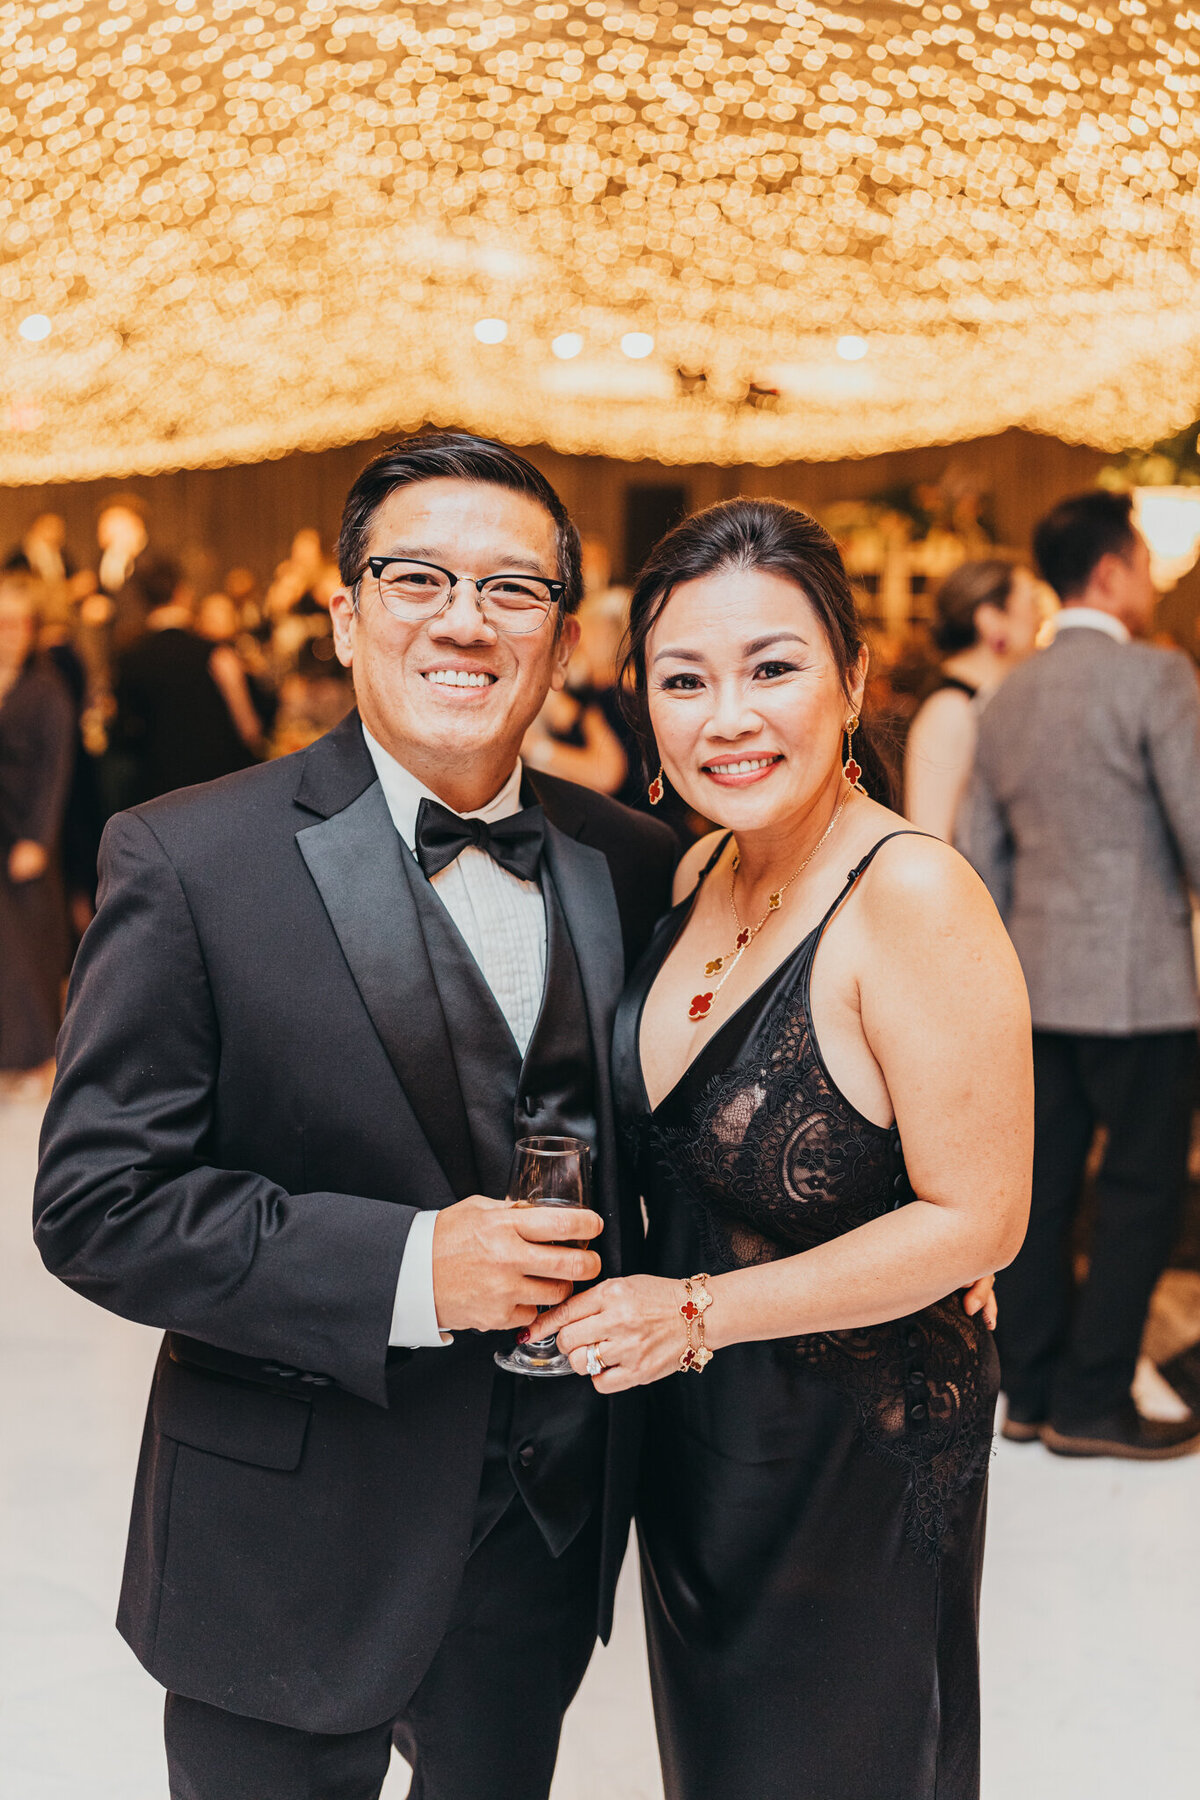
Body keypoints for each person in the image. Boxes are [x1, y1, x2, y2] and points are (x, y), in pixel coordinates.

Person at [33, 431, 677, 1800]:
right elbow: (96, 1207)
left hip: (541, 1532)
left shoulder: (635, 862)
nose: (465, 618)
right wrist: (407, 1270)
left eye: (515, 589)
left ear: (565, 635)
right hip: (285, 1535)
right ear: (344, 613)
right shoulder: (188, 856)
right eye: (418, 576)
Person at [534, 498, 1032, 1800]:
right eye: (683, 679)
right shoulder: (697, 869)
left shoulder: (912, 895)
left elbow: (980, 1220)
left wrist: (698, 1311)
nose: (727, 716)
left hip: (853, 1475)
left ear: (855, 678)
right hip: (699, 1463)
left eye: (773, 668)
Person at [959, 488, 1200, 1460]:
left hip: (1034, 985)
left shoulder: (1008, 689)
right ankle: (1094, 1403)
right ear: (1111, 571)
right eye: (1146, 563)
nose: (1151, 581)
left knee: (1045, 1189)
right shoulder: (1157, 676)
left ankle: (1028, 1390)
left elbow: (978, 851)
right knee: (1142, 1194)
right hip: (1142, 988)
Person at [904, 558, 1046, 840]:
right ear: (991, 619)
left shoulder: (985, 701)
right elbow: (931, 838)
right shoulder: (949, 710)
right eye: (1031, 603)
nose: (1040, 617)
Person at [0, 575, 75, 1089]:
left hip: (26, 833)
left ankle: (39, 1057)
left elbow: (55, 769)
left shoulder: (46, 690)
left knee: (32, 950)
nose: (11, 634)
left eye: (19, 624)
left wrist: (38, 839)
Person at [112, 560, 264, 801]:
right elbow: (249, 729)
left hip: (155, 792)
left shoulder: (129, 659)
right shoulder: (216, 654)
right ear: (181, 593)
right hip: (214, 787)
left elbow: (122, 732)